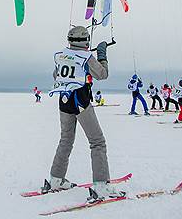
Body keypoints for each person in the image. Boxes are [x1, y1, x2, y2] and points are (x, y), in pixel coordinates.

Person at [42, 26, 124, 202]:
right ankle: (101, 186)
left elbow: (56, 75)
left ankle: (55, 180)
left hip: (64, 101)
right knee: (97, 142)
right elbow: (102, 74)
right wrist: (102, 55)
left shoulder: (60, 55)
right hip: (81, 102)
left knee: (65, 140)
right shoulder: (87, 56)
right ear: (85, 40)